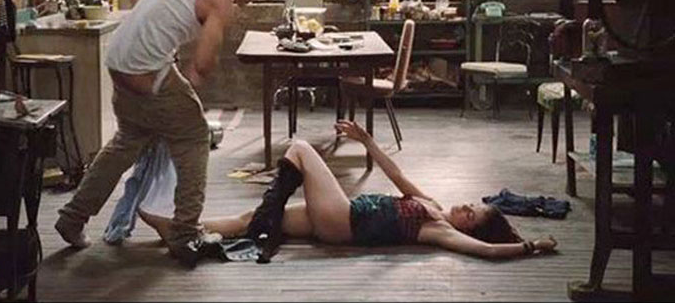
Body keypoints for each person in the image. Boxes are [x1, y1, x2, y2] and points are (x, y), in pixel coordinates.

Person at [54, 0, 274, 269]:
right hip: (144, 70)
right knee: (195, 136)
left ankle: (71, 219)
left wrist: (157, 36)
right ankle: (184, 234)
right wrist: (189, 77)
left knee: (127, 141)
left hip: (118, 59)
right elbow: (203, 64)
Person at [139, 120, 558, 261]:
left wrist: (532, 245)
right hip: (341, 215)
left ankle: (263, 231)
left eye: (471, 214)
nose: (466, 205)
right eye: (472, 205)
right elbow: (396, 174)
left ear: (468, 227)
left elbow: (487, 251)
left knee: (301, 149)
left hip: (345, 221)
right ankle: (181, 230)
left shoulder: (439, 230)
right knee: (251, 217)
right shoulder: (430, 203)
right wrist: (367, 140)